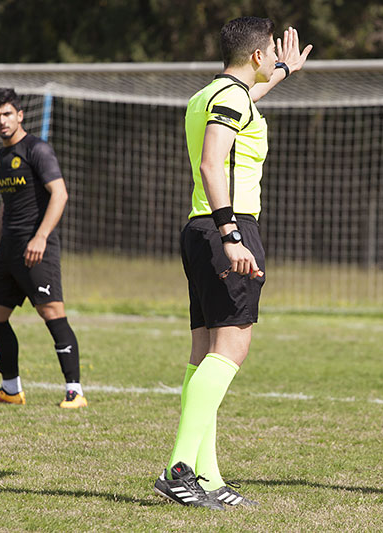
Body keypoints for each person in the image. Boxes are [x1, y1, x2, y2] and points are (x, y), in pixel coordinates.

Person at [152, 17, 312, 510]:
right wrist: (232, 235)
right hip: (226, 228)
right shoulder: (231, 98)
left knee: (205, 354)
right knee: (232, 349)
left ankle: (206, 475)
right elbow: (210, 161)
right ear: (256, 57)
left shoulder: (213, 94)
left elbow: (246, 102)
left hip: (201, 229)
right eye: (269, 55)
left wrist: (284, 69)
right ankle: (178, 469)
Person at [0, 88, 86, 409]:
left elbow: (59, 194)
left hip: (37, 248)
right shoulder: (1, 158)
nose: (2, 121)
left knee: (52, 314)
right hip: (7, 251)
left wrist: (41, 237)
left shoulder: (37, 149)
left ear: (20, 115)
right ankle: (10, 389)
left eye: (7, 113)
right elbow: (6, 208)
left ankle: (75, 391)